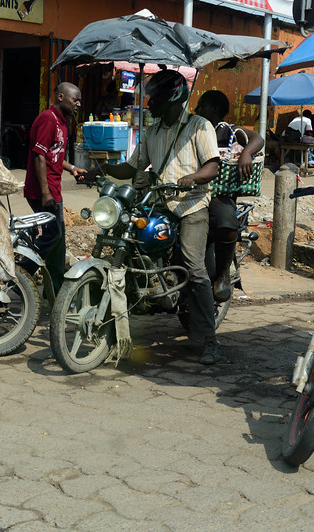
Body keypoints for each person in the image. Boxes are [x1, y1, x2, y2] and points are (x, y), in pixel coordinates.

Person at [91, 70, 222, 364]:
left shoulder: (199, 126)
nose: (149, 104)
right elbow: (134, 167)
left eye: (155, 98)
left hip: (191, 206)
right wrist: (102, 169)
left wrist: (193, 177)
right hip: (159, 203)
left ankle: (209, 338)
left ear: (173, 96)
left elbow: (212, 167)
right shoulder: (153, 132)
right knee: (128, 241)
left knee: (193, 264)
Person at [194, 90, 264, 303]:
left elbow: (257, 139)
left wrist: (246, 153)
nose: (197, 110)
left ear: (214, 109)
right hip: (194, 190)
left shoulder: (228, 130)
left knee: (226, 221)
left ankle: (223, 272)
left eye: (202, 106)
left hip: (220, 192)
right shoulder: (193, 128)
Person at [23, 82, 87, 291]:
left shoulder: (62, 122)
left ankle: (57, 288)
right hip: (43, 191)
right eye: (74, 99)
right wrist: (45, 194)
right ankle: (21, 275)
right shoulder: (48, 119)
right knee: (53, 235)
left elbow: (54, 153)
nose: (78, 103)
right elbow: (39, 155)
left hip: (53, 190)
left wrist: (72, 168)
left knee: (59, 242)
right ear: (60, 97)